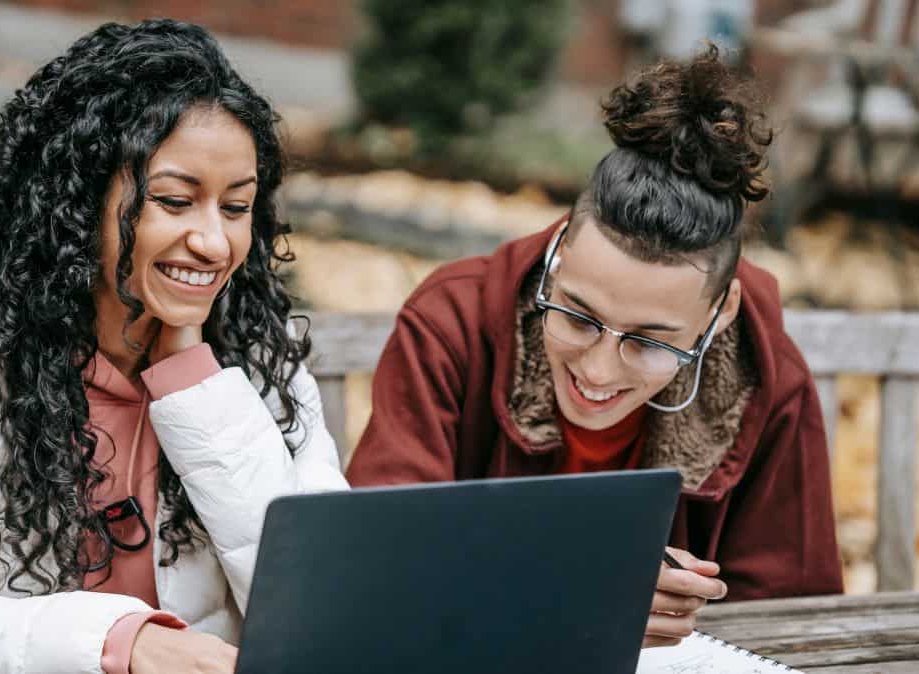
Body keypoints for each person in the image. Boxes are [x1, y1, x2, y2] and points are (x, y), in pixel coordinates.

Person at [0, 20, 347, 674]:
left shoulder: (259, 358)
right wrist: (122, 642)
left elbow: (317, 609)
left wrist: (196, 378)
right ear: (81, 200)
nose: (216, 244)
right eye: (175, 200)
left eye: (236, 207)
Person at [347, 45, 843, 647]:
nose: (600, 370)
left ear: (721, 314)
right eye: (578, 318)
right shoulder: (451, 321)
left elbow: (794, 617)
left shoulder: (766, 374)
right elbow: (381, 556)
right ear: (556, 257)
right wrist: (578, 589)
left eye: (649, 343)